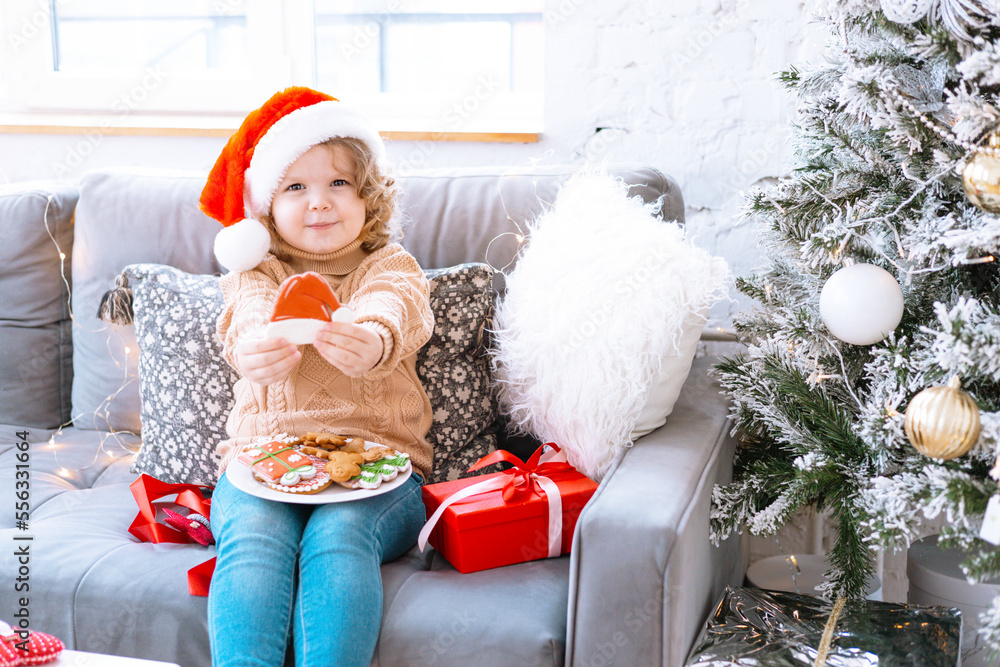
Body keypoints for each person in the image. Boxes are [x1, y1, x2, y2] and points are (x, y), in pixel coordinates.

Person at [199, 87, 434, 667]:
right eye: (296, 187)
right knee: (253, 541)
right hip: (261, 465)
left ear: (368, 195)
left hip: (380, 471)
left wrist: (375, 338)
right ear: (267, 207)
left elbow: (395, 304)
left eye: (339, 184)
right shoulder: (255, 270)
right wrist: (256, 348)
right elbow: (247, 318)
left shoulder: (390, 264)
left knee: (338, 539)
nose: (320, 203)